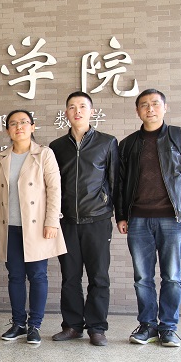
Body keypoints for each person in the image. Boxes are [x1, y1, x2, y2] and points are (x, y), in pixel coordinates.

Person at [116, 88, 181, 347]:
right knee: (142, 278)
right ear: (137, 111)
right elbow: (120, 184)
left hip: (173, 219)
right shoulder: (128, 144)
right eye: (144, 105)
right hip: (138, 220)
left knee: (172, 276)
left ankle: (168, 327)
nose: (150, 109)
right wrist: (121, 215)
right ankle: (147, 326)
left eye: (155, 103)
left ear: (165, 108)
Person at [0, 110, 66, 344]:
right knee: (15, 276)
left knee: (38, 276)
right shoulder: (2, 157)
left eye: (24, 122)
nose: (19, 127)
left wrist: (52, 221)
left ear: (33, 127)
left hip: (36, 227)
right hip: (10, 226)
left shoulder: (44, 154)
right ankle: (18, 324)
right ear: (7, 130)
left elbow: (54, 189)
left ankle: (35, 325)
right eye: (13, 124)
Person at [49, 92, 119, 346]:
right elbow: (52, 185)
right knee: (70, 277)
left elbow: (115, 181)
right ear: (66, 113)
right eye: (72, 107)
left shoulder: (107, 142)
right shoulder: (57, 146)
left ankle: (97, 328)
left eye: (82, 106)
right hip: (67, 221)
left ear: (92, 112)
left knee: (99, 277)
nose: (77, 111)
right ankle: (72, 326)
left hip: (98, 219)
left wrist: (120, 215)